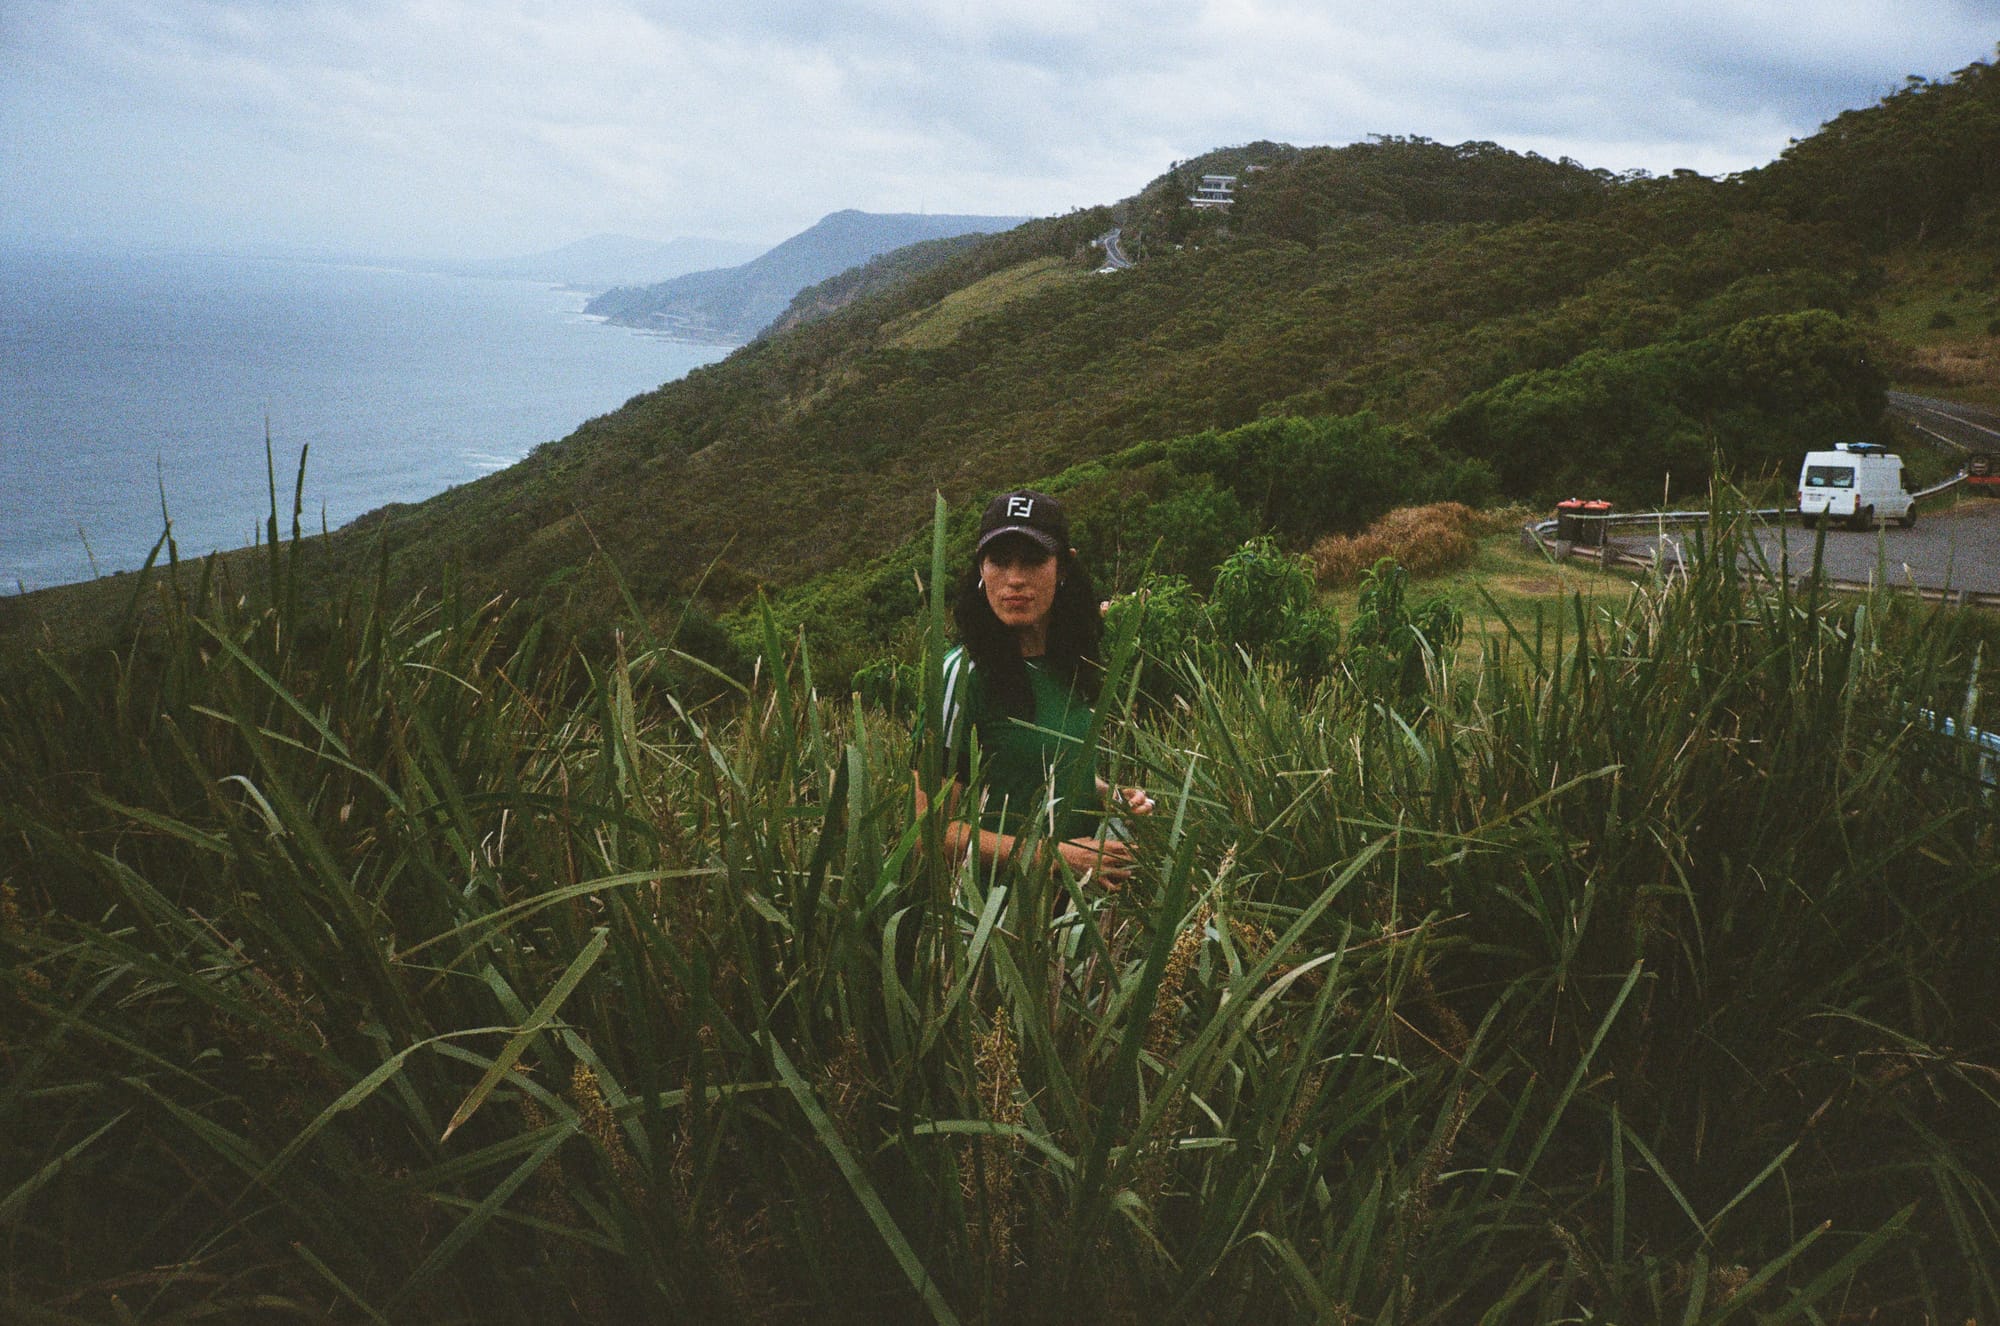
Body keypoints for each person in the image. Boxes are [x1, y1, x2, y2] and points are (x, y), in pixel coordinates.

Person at [916, 489, 1154, 886]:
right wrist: (1056, 855)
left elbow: (1047, 769)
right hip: (999, 922)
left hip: (1076, 911)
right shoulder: (960, 676)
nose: (1015, 579)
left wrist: (1111, 796)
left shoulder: (1072, 663)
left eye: (1032, 560)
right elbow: (929, 831)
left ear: (1063, 567)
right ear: (980, 569)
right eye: (999, 561)